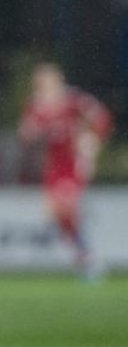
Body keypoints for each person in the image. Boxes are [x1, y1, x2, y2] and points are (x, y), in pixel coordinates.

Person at [18, 62, 114, 280]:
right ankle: (86, 256)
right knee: (54, 214)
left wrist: (92, 141)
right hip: (54, 165)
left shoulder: (73, 99)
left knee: (65, 207)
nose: (43, 83)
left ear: (57, 78)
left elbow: (102, 118)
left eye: (47, 78)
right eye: (39, 80)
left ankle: (89, 259)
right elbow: (27, 133)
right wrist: (29, 132)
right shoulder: (36, 105)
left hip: (74, 163)